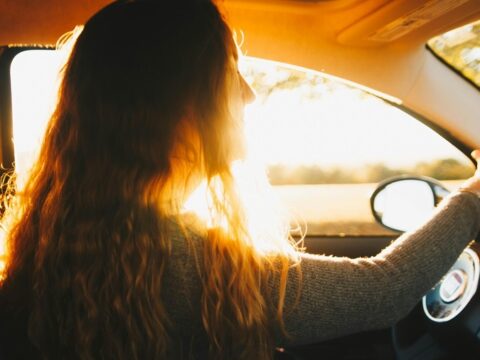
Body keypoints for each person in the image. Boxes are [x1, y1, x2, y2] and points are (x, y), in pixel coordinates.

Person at [0, 0, 479, 359]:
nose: (248, 96)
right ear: (177, 104)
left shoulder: (50, 246)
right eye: (229, 73)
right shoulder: (190, 265)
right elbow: (384, 292)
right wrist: (474, 198)